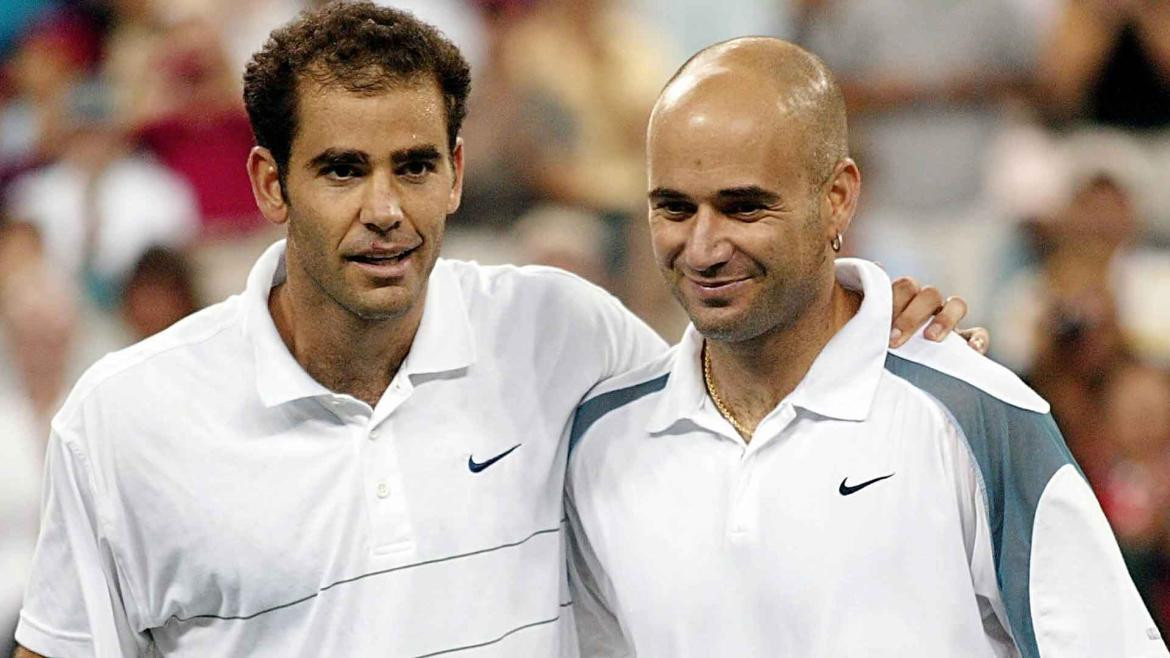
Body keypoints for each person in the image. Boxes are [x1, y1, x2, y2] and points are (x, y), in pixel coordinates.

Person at [12, 5, 978, 657]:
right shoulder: (126, 420)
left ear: (460, 173)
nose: (386, 209)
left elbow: (745, 415)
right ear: (271, 184)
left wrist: (873, 329)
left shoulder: (560, 332)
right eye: (344, 169)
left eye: (417, 166)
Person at [565, 37, 1166, 657]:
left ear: (837, 199)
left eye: (744, 208)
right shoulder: (600, 442)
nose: (703, 247)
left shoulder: (972, 413)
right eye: (675, 209)